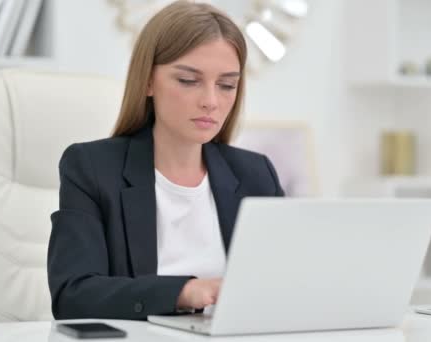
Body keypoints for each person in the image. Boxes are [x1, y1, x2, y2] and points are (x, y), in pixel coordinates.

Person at [47, 0, 284, 320]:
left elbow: (282, 287)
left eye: (227, 85)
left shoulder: (256, 173)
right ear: (147, 81)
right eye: (188, 81)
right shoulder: (91, 167)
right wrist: (185, 292)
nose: (211, 102)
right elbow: (73, 295)